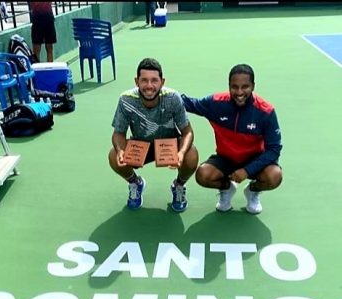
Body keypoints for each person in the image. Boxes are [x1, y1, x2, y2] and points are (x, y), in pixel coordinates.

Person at [181, 64, 283, 214]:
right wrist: (160, 91)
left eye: (245, 87)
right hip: (226, 159)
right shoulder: (216, 103)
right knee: (203, 175)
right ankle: (227, 188)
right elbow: (189, 103)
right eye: (234, 87)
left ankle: (253, 191)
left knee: (274, 176)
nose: (239, 92)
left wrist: (247, 171)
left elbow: (274, 150)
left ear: (253, 86)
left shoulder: (266, 112)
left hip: (254, 160)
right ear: (229, 86)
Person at [109, 57, 199, 212]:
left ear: (162, 82)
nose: (149, 86)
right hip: (140, 146)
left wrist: (181, 153)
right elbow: (118, 133)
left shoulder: (173, 98)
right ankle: (135, 183)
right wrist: (120, 151)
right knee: (113, 156)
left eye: (154, 80)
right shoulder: (126, 99)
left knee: (191, 155)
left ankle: (179, 185)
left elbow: (187, 132)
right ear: (136, 81)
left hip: (169, 147)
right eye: (144, 80)